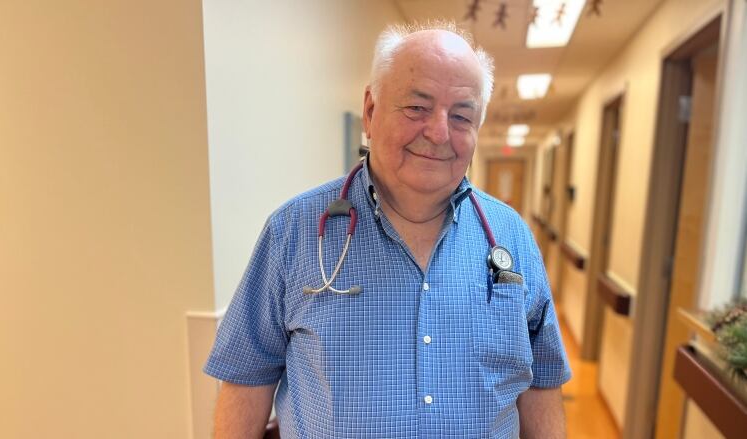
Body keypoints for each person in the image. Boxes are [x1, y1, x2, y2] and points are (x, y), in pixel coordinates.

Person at [205, 22, 571, 439]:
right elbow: (246, 381)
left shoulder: (512, 238)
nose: (438, 132)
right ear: (371, 110)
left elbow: (541, 384)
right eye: (417, 107)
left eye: (461, 115)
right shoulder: (293, 232)